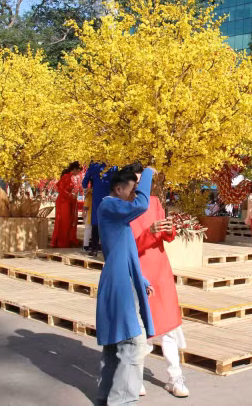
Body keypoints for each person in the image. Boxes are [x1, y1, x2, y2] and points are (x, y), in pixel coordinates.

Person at [95, 166, 155, 405]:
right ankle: (122, 401)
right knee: (133, 343)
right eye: (132, 190)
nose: (134, 196)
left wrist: (141, 280)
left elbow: (125, 253)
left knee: (115, 343)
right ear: (118, 189)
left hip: (120, 279)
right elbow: (141, 205)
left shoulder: (115, 214)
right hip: (118, 284)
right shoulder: (109, 205)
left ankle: (105, 396)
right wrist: (147, 174)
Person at [129, 175, 189, 398]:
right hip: (140, 272)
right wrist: (149, 233)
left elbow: (167, 236)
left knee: (169, 326)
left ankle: (176, 377)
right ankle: (135, 377)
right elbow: (126, 246)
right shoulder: (122, 206)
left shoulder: (155, 202)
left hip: (161, 271)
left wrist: (169, 228)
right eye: (136, 181)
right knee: (141, 325)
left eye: (143, 181)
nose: (141, 185)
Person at [82, 162, 116, 257]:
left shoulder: (94, 165)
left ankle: (94, 249)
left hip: (97, 196)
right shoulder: (114, 164)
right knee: (108, 220)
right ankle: (108, 248)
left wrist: (86, 189)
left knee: (96, 221)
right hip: (110, 194)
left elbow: (85, 181)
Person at [51, 162, 82, 248]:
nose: (78, 173)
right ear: (75, 169)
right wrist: (70, 195)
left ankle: (66, 241)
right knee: (63, 221)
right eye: (78, 171)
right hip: (63, 202)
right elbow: (60, 189)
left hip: (68, 201)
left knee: (68, 221)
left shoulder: (71, 177)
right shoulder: (66, 176)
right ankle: (61, 242)